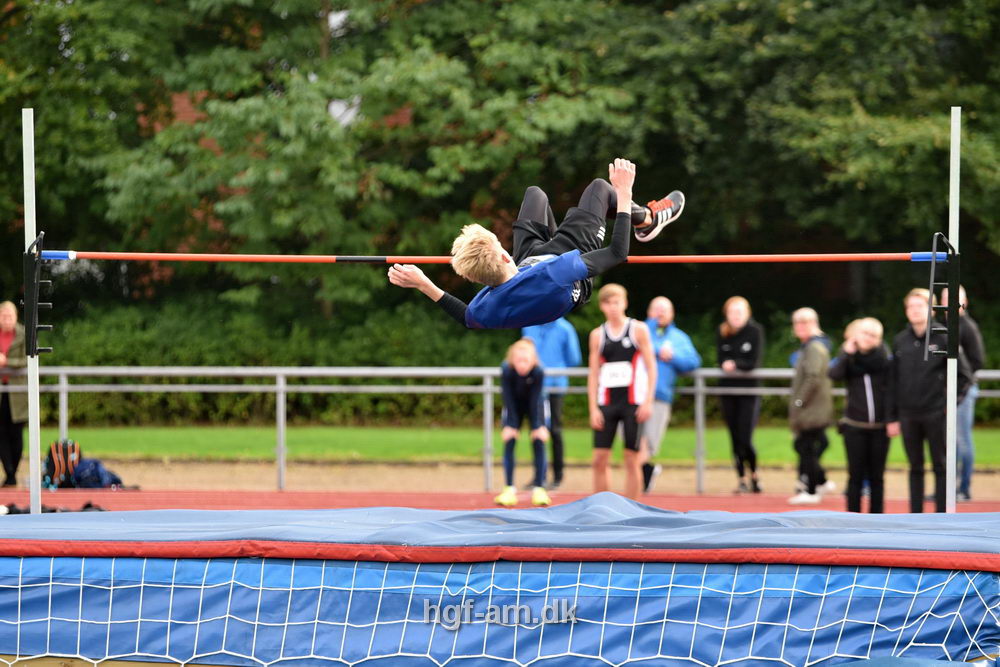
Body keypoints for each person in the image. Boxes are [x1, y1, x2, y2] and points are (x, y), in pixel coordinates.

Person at [387, 158, 684, 329]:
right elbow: (617, 253)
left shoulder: (485, 307)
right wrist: (624, 192)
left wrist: (423, 283)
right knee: (601, 189)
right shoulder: (555, 273)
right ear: (505, 257)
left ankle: (574, 225)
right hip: (564, 274)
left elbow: (465, 317)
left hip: (530, 264)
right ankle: (647, 220)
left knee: (535, 195)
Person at [887, 288, 972, 513]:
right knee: (915, 467)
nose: (914, 311)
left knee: (941, 466)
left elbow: (965, 376)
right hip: (908, 414)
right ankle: (916, 515)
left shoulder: (945, 337)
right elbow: (892, 381)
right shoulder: (900, 340)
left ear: (931, 309)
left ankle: (942, 516)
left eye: (919, 306)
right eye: (910, 307)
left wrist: (949, 406)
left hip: (936, 413)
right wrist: (892, 416)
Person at [587, 284, 656, 500]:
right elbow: (593, 374)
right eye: (608, 303)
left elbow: (652, 367)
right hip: (607, 402)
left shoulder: (638, 330)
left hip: (632, 402)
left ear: (624, 303)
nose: (613, 307)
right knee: (599, 458)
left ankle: (633, 507)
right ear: (602, 307)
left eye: (617, 302)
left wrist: (647, 401)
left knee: (631, 457)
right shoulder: (598, 335)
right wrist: (593, 409)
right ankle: (602, 506)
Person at [828, 318, 892, 513]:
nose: (867, 338)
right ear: (856, 334)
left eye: (873, 335)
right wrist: (846, 354)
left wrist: (891, 420)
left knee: (877, 477)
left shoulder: (885, 359)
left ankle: (877, 518)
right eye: (864, 333)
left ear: (879, 339)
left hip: (880, 428)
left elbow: (892, 392)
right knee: (854, 475)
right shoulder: (848, 357)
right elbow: (834, 375)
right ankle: (853, 517)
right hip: (854, 426)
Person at [640, 296, 701, 493]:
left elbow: (693, 361)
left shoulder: (679, 338)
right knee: (630, 444)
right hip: (633, 395)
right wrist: (659, 350)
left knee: (648, 444)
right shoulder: (639, 330)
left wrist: (673, 356)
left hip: (659, 395)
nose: (660, 313)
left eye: (664, 309)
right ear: (649, 311)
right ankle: (645, 474)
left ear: (672, 313)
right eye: (656, 308)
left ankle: (641, 482)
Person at [522, 317, 581, 490]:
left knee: (555, 429)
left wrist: (556, 368)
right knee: (536, 429)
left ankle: (557, 476)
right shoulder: (529, 325)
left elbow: (574, 358)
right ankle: (539, 475)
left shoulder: (565, 328)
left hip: (555, 385)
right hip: (534, 386)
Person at [716, 296, 765, 494]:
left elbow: (754, 362)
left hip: (749, 391)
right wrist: (726, 364)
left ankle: (754, 473)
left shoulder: (755, 331)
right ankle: (741, 478)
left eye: (739, 312)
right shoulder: (722, 331)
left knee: (745, 437)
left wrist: (735, 364)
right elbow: (720, 358)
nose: (735, 316)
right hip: (728, 390)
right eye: (732, 312)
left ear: (747, 313)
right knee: (734, 437)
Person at [494, 339, 551, 508]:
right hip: (514, 406)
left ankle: (540, 488)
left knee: (539, 440)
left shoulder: (538, 372)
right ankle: (509, 488)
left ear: (533, 360)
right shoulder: (506, 370)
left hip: (537, 405)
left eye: (526, 360)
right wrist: (510, 425)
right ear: (512, 359)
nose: (522, 364)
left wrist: (537, 426)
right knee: (509, 440)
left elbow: (536, 400)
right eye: (518, 360)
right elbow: (508, 398)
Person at [941, 286, 986, 502]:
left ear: (964, 302)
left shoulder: (967, 327)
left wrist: (960, 378)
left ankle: (964, 487)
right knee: (948, 441)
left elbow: (978, 360)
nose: (950, 303)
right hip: (945, 391)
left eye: (955, 299)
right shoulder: (942, 326)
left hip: (964, 391)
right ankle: (948, 486)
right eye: (946, 298)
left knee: (962, 440)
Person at [787, 307, 835, 505]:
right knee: (809, 445)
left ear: (814, 323)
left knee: (804, 446)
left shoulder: (814, 347)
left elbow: (813, 377)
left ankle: (812, 489)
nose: (799, 327)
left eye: (804, 322)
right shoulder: (810, 346)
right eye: (797, 323)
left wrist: (799, 401)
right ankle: (821, 481)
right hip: (814, 408)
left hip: (812, 409)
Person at [0, 301, 27, 487]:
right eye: (3, 316)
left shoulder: (24, 334)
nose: (6, 319)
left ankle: (13, 470)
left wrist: (6, 361)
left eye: (9, 316)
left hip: (17, 392)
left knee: (16, 434)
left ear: (16, 317)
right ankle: (9, 472)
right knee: (1, 433)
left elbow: (28, 359)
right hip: (1, 392)